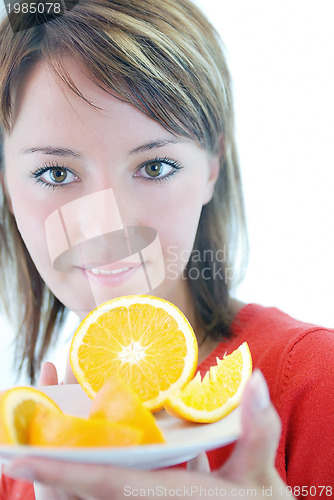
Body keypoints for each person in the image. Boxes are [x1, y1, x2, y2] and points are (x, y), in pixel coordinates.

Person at [0, 0, 333, 498]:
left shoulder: (314, 385)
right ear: (6, 183)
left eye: (154, 166)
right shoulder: (19, 460)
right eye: (56, 174)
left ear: (212, 166)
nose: (106, 226)